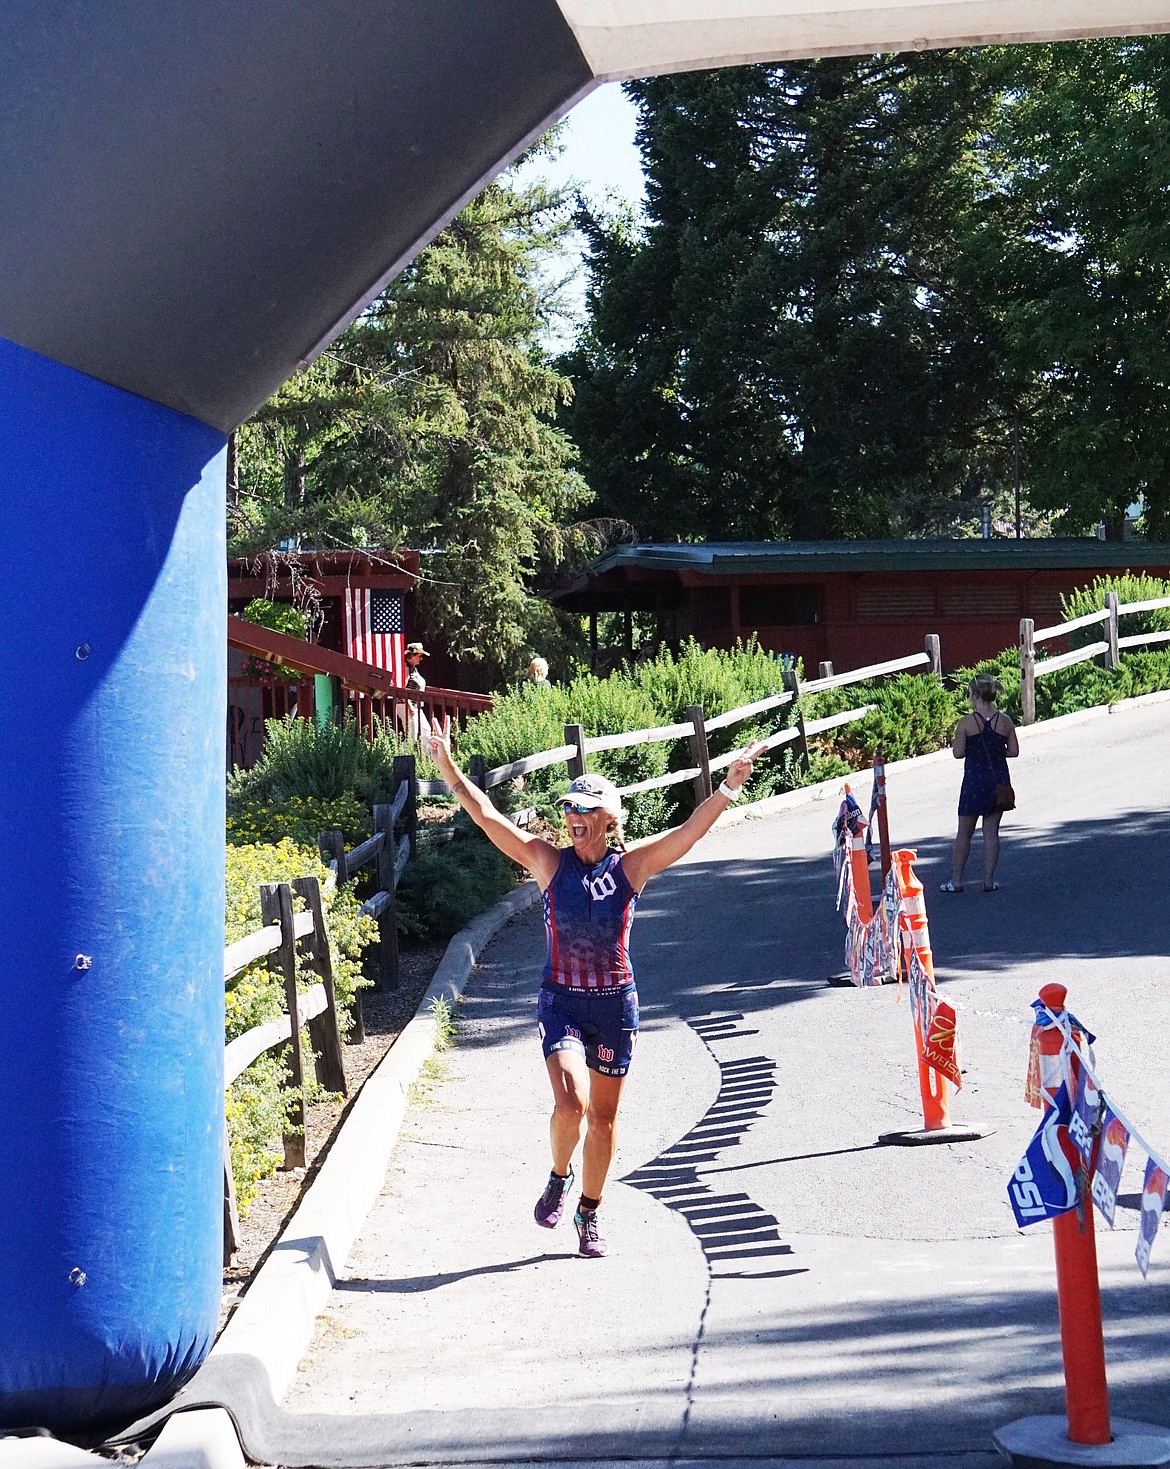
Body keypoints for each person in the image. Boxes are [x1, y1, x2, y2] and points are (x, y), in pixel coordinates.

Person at [426, 716, 766, 1258]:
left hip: (614, 1005)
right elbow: (487, 816)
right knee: (570, 1106)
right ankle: (558, 1176)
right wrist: (446, 766)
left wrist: (729, 785)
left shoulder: (631, 868)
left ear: (609, 819)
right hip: (560, 1000)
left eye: (584, 810)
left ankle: (589, 1211)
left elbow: (688, 834)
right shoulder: (546, 861)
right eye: (568, 808)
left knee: (604, 1118)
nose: (573, 818)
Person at [941, 673, 1019, 893]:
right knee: (991, 832)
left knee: (964, 833)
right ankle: (988, 880)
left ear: (975, 695)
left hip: (974, 781)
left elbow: (958, 753)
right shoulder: (1005, 721)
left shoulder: (966, 723)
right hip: (998, 781)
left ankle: (956, 880)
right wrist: (997, 751)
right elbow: (1013, 751)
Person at [403, 641, 430, 742]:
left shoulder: (413, 668)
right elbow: (402, 688)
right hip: (407, 705)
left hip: (416, 705)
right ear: (412, 655)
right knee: (412, 736)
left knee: (426, 731)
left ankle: (426, 757)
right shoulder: (406, 668)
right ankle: (404, 756)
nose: (421, 658)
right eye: (420, 656)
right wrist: (408, 705)